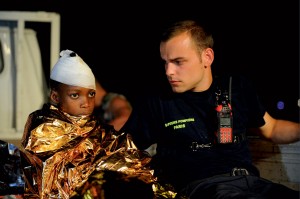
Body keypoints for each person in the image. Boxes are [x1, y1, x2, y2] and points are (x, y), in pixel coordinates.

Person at [121, 20, 300, 198]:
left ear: (207, 57)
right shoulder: (157, 101)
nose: (169, 71)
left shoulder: (236, 87)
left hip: (252, 183)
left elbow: (272, 128)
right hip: (202, 188)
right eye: (165, 62)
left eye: (178, 62)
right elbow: (122, 149)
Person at [19, 50, 156, 199]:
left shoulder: (99, 130)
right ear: (55, 96)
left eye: (91, 94)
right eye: (75, 95)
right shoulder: (43, 130)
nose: (86, 103)